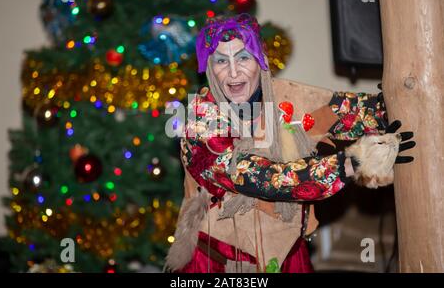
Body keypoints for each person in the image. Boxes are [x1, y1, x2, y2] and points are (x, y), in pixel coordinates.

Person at [165, 14, 415, 273]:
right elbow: (260, 178)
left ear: (260, 60)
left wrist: (398, 98)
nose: (233, 71)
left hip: (288, 257)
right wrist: (351, 163)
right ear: (210, 69)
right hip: (219, 263)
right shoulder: (199, 122)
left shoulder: (286, 97)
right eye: (220, 60)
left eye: (243, 57)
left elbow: (348, 112)